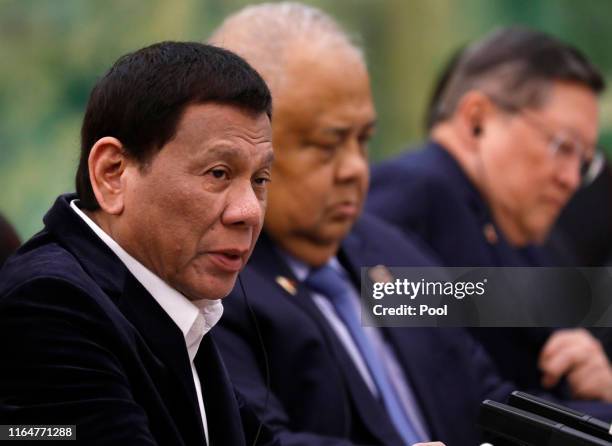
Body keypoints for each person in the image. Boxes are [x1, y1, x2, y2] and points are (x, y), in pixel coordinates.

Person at [209, 6, 612, 446]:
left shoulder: (386, 250)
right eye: (327, 144)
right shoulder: (218, 280)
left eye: (363, 140)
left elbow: (481, 395)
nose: (355, 169)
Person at [0, 41, 278, 446]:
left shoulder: (170, 293)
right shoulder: (49, 305)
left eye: (260, 180)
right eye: (218, 173)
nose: (249, 211)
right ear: (113, 173)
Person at [366, 28, 612, 401]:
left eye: (584, 162)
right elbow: (463, 395)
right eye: (563, 147)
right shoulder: (415, 195)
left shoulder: (526, 238)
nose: (572, 179)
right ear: (476, 121)